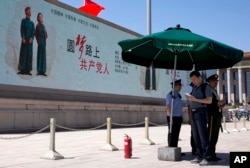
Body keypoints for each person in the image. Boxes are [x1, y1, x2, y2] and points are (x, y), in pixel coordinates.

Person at [185, 71, 212, 166]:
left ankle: (206, 156)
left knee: (203, 135)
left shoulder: (206, 87)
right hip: (194, 112)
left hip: (201, 112)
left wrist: (194, 99)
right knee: (195, 136)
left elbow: (209, 100)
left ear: (199, 77)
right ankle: (199, 155)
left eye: (194, 79)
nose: (193, 81)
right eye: (192, 80)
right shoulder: (195, 88)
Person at [206, 74, 225, 161]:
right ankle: (209, 154)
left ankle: (213, 154)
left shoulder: (214, 91)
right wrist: (218, 103)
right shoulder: (208, 91)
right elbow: (210, 103)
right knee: (211, 136)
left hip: (216, 115)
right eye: (214, 82)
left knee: (215, 136)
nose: (216, 83)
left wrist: (221, 104)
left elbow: (216, 103)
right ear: (209, 82)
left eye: (216, 82)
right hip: (212, 116)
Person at [166, 79, 183, 149]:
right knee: (172, 133)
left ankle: (175, 148)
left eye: (180, 86)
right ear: (174, 86)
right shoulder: (170, 95)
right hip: (172, 117)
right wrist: (171, 118)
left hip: (178, 117)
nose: (180, 88)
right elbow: (168, 106)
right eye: (179, 86)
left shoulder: (178, 95)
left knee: (177, 133)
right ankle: (171, 148)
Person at [18, 7, 35, 75]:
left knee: (29, 55)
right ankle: (22, 70)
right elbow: (22, 30)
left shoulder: (32, 23)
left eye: (30, 11)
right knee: (23, 54)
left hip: (30, 41)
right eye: (29, 11)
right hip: (25, 40)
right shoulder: (23, 21)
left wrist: (32, 38)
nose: (30, 12)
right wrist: (23, 38)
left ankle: (28, 70)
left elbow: (33, 32)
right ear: (26, 12)